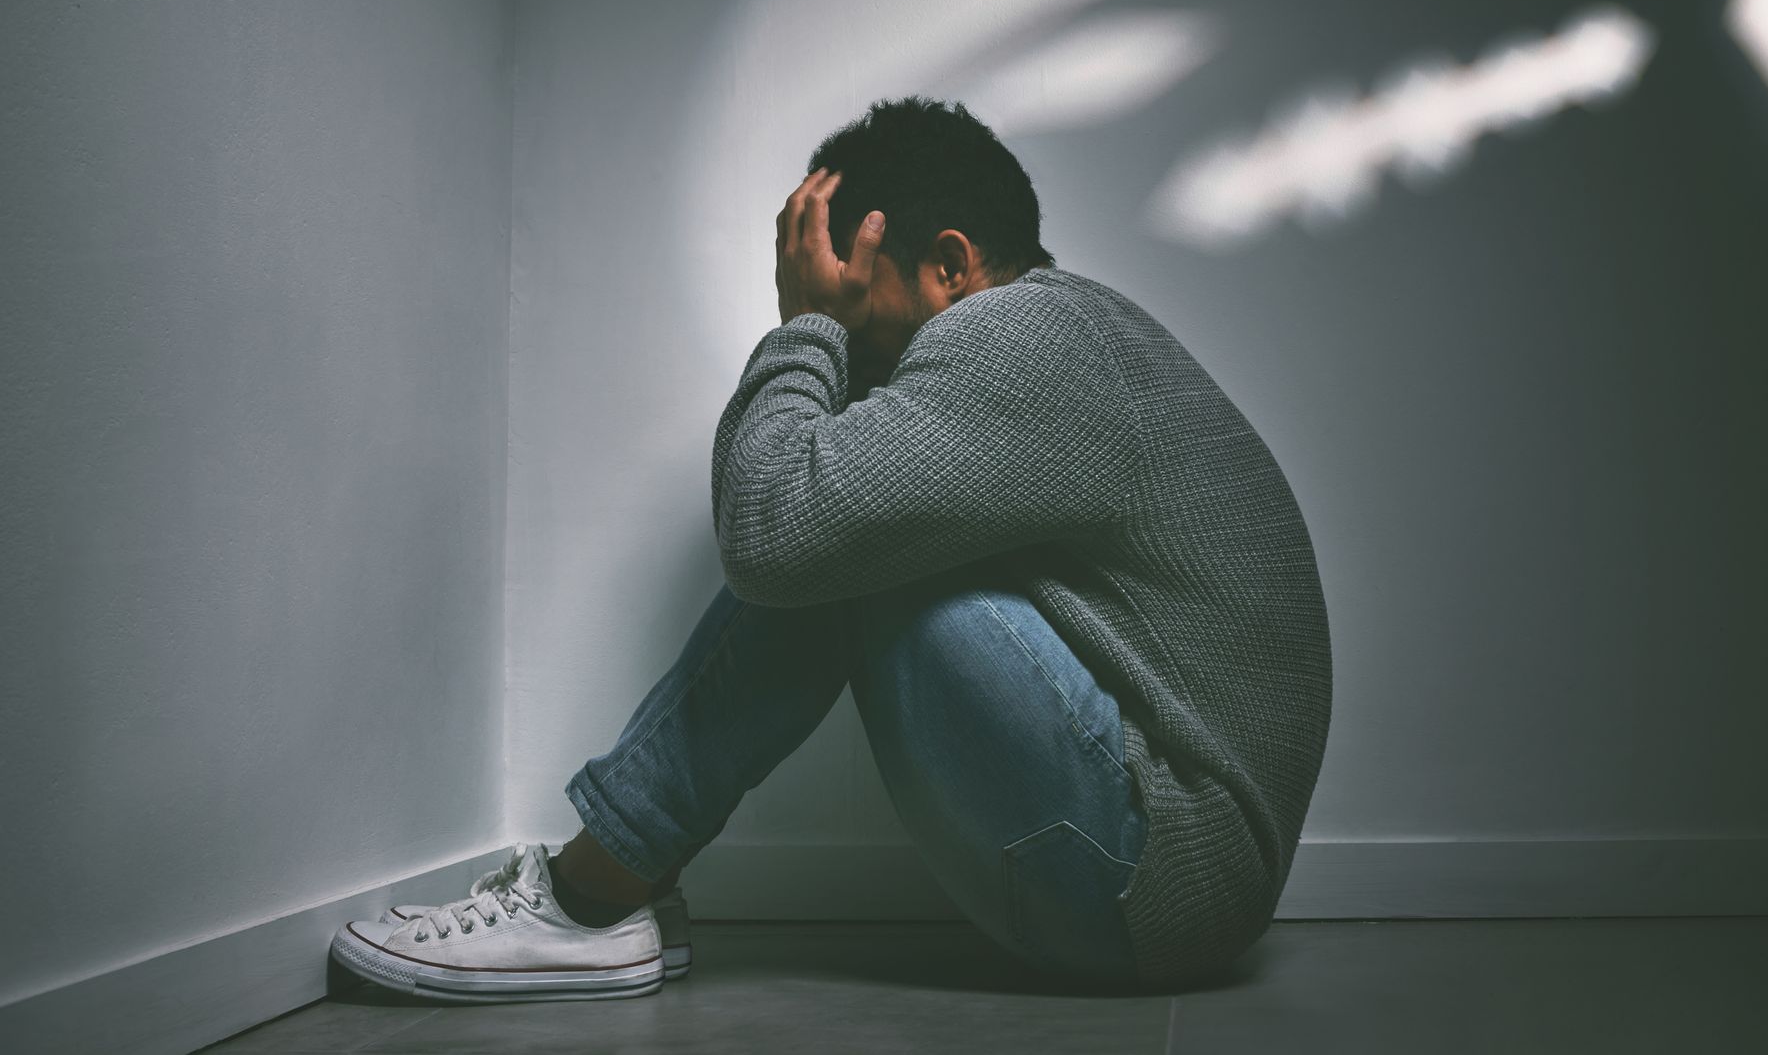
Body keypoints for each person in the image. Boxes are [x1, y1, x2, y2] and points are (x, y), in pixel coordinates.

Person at [328, 95, 1333, 1001]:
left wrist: (804, 325)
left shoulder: (1023, 336)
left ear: (950, 266)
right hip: (1157, 879)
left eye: (866, 310)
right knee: (848, 527)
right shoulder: (1074, 342)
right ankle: (608, 895)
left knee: (836, 543)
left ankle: (588, 903)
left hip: (1156, 885)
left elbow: (777, 532)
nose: (858, 351)